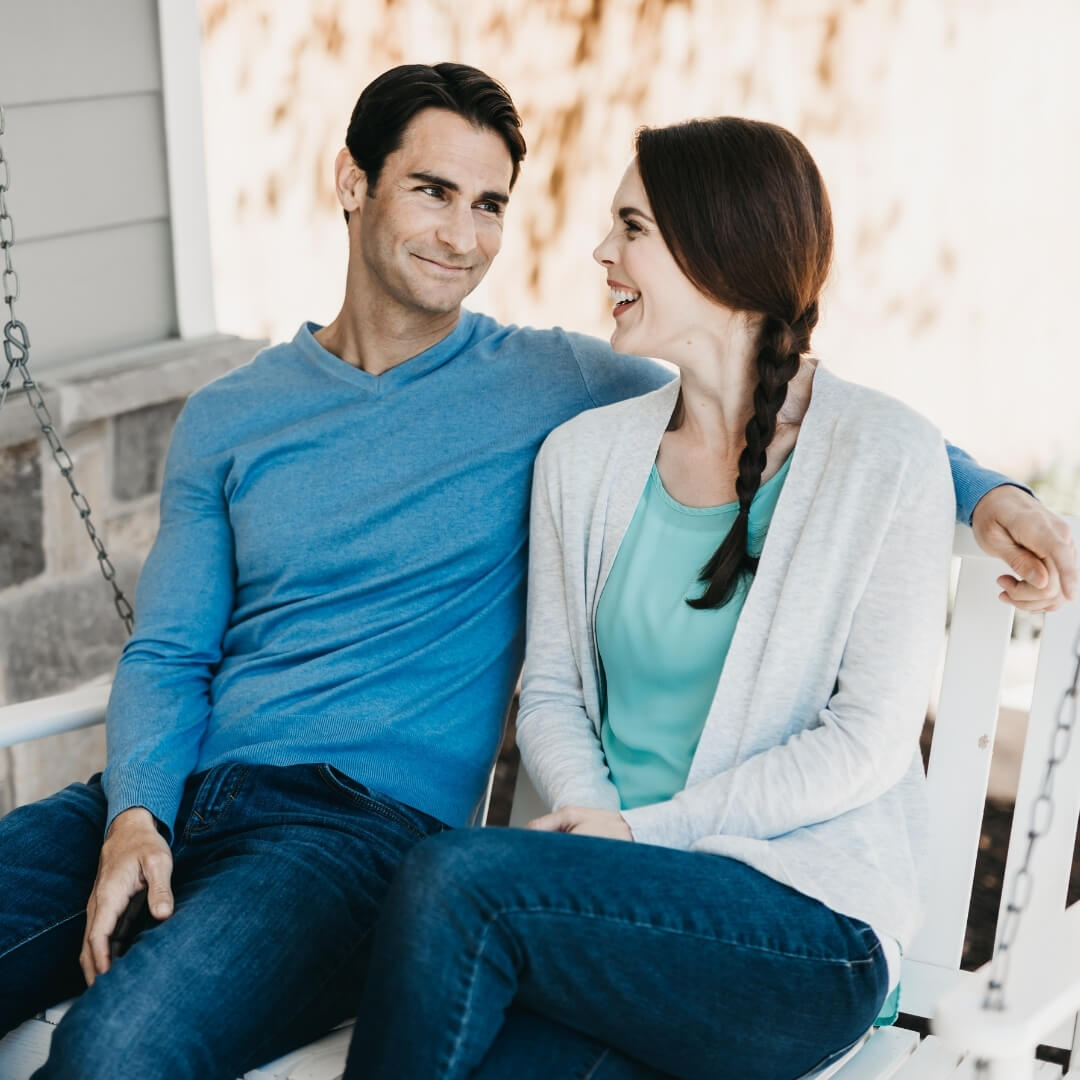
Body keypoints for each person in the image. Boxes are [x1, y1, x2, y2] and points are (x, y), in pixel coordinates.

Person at [0, 64, 1072, 1080]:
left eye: (491, 205)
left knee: (108, 1051)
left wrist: (984, 491)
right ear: (350, 183)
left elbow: (783, 397)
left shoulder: (551, 385)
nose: (466, 237)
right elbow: (173, 648)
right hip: (184, 794)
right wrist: (137, 811)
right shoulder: (234, 414)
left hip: (349, 836)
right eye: (433, 192)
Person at [342, 117, 1072, 1080]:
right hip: (607, 915)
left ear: (720, 249)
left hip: (800, 929)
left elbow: (867, 740)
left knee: (449, 879)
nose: (601, 251)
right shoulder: (586, 459)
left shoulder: (880, 454)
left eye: (631, 226)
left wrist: (641, 839)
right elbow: (553, 691)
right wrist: (609, 841)